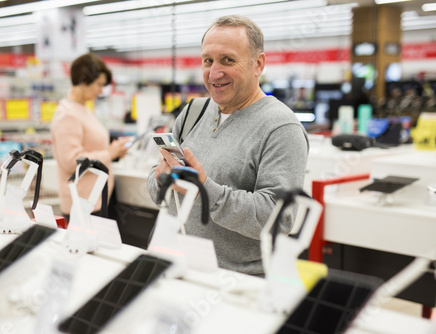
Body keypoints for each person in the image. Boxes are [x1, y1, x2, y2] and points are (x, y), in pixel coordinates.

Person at [147, 15, 309, 276]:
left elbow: (279, 218)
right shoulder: (193, 112)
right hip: (175, 266)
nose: (214, 73)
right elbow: (157, 189)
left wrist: (205, 190)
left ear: (258, 64)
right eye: (208, 60)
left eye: (228, 60)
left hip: (236, 282)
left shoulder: (281, 127)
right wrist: (161, 179)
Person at [51, 53, 130, 223]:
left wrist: (115, 152)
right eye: (99, 84)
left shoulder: (82, 108)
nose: (101, 90)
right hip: (82, 204)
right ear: (83, 81)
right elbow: (71, 161)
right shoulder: (68, 115)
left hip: (94, 200)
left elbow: (91, 147)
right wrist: (110, 153)